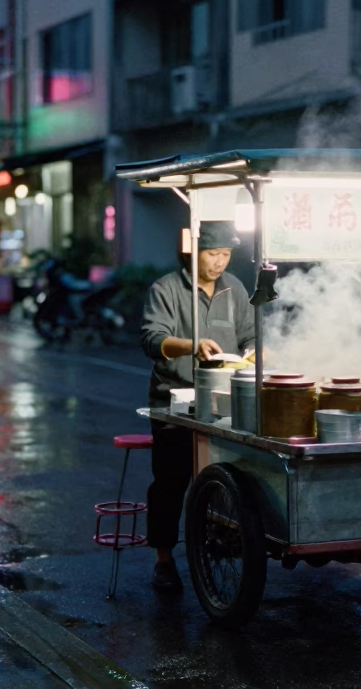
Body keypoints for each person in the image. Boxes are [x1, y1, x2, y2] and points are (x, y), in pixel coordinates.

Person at [140, 221, 255, 593]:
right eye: (212, 253)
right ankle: (163, 559)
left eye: (226, 254)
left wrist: (255, 352)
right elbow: (152, 338)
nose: (220, 262)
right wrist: (191, 345)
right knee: (171, 482)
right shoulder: (167, 289)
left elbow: (251, 334)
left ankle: (222, 540)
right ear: (192, 251)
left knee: (230, 477)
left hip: (224, 401)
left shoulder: (235, 288)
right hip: (176, 401)